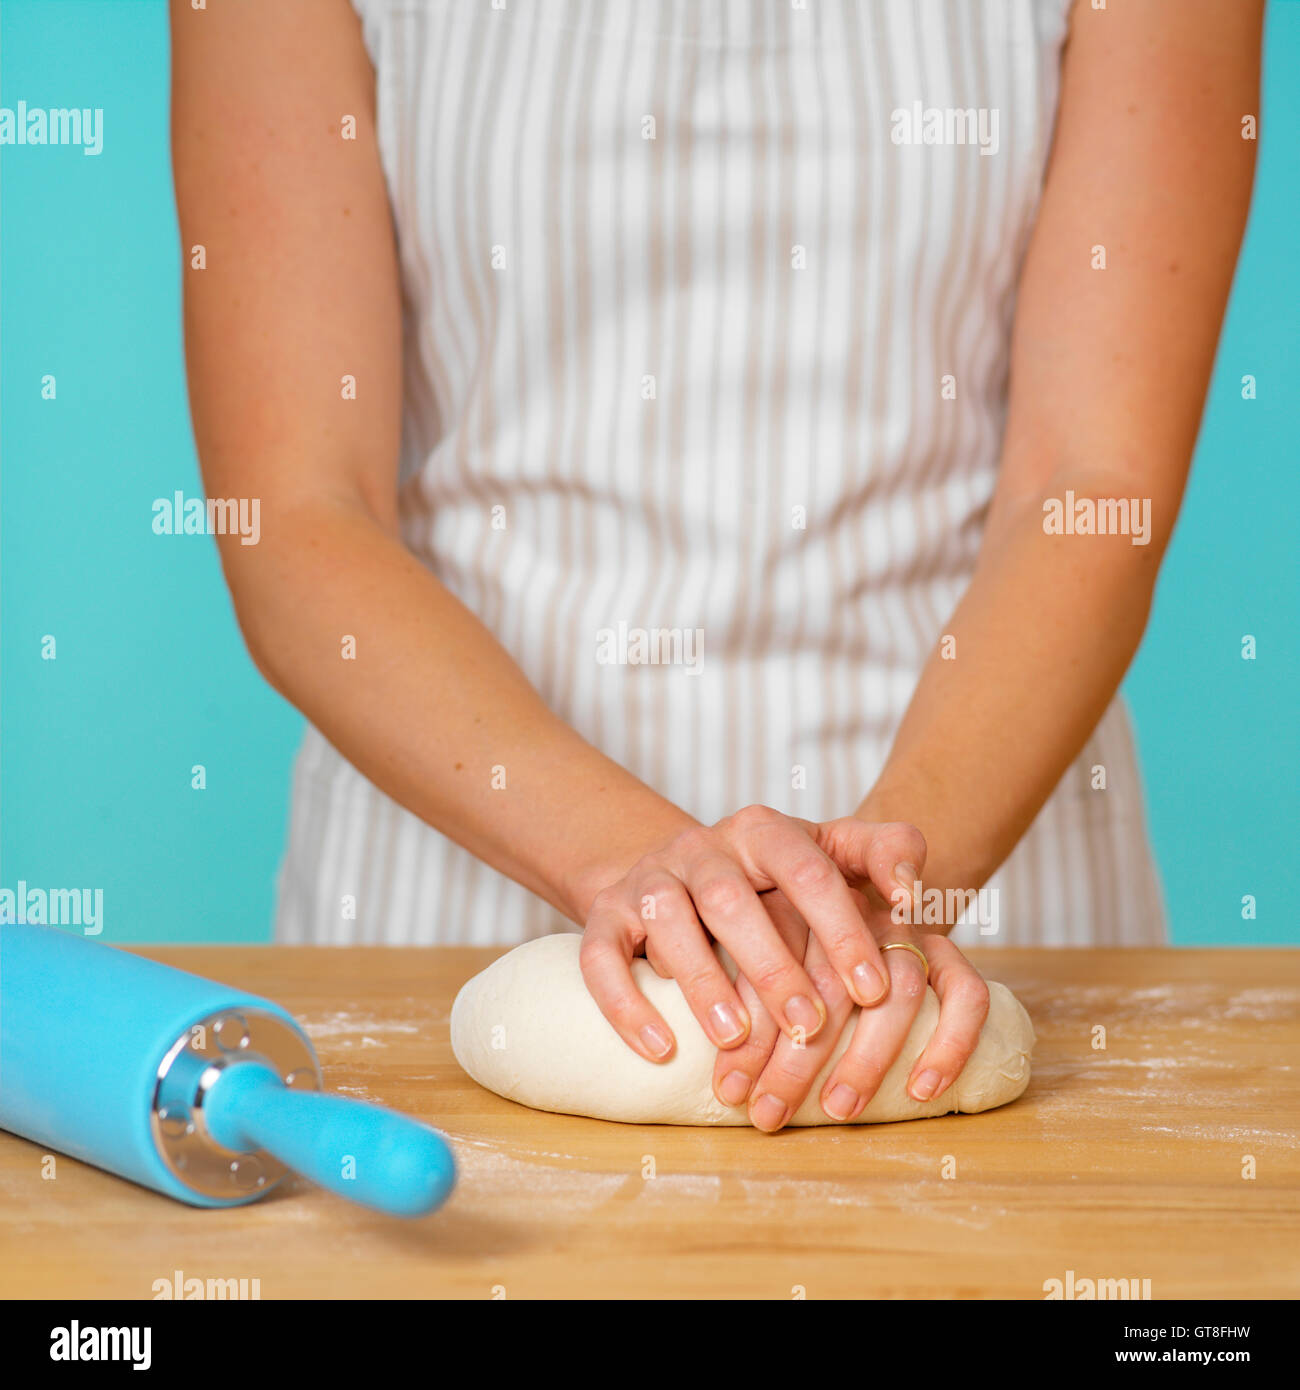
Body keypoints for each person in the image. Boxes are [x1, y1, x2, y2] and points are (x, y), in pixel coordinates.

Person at [169, 0, 1261, 1132]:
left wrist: (884, 885)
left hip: (967, 885)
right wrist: (633, 861)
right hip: (451, 875)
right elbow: (299, 507)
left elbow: (1083, 485)